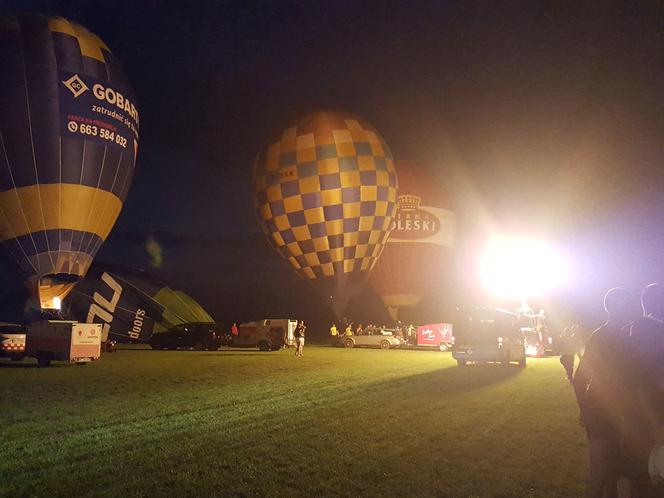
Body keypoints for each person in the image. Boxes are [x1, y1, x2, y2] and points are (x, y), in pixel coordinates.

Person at [574, 287, 638, 498]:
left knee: (615, 473)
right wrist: (585, 409)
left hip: (622, 413)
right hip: (601, 411)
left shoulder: (631, 336)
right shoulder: (601, 337)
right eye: (622, 305)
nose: (626, 309)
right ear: (610, 308)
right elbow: (581, 377)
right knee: (600, 472)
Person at [622, 283, 664, 496]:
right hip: (648, 420)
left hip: (643, 418)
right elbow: (643, 385)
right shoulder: (645, 328)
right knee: (645, 478)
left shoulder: (638, 328)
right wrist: (656, 424)